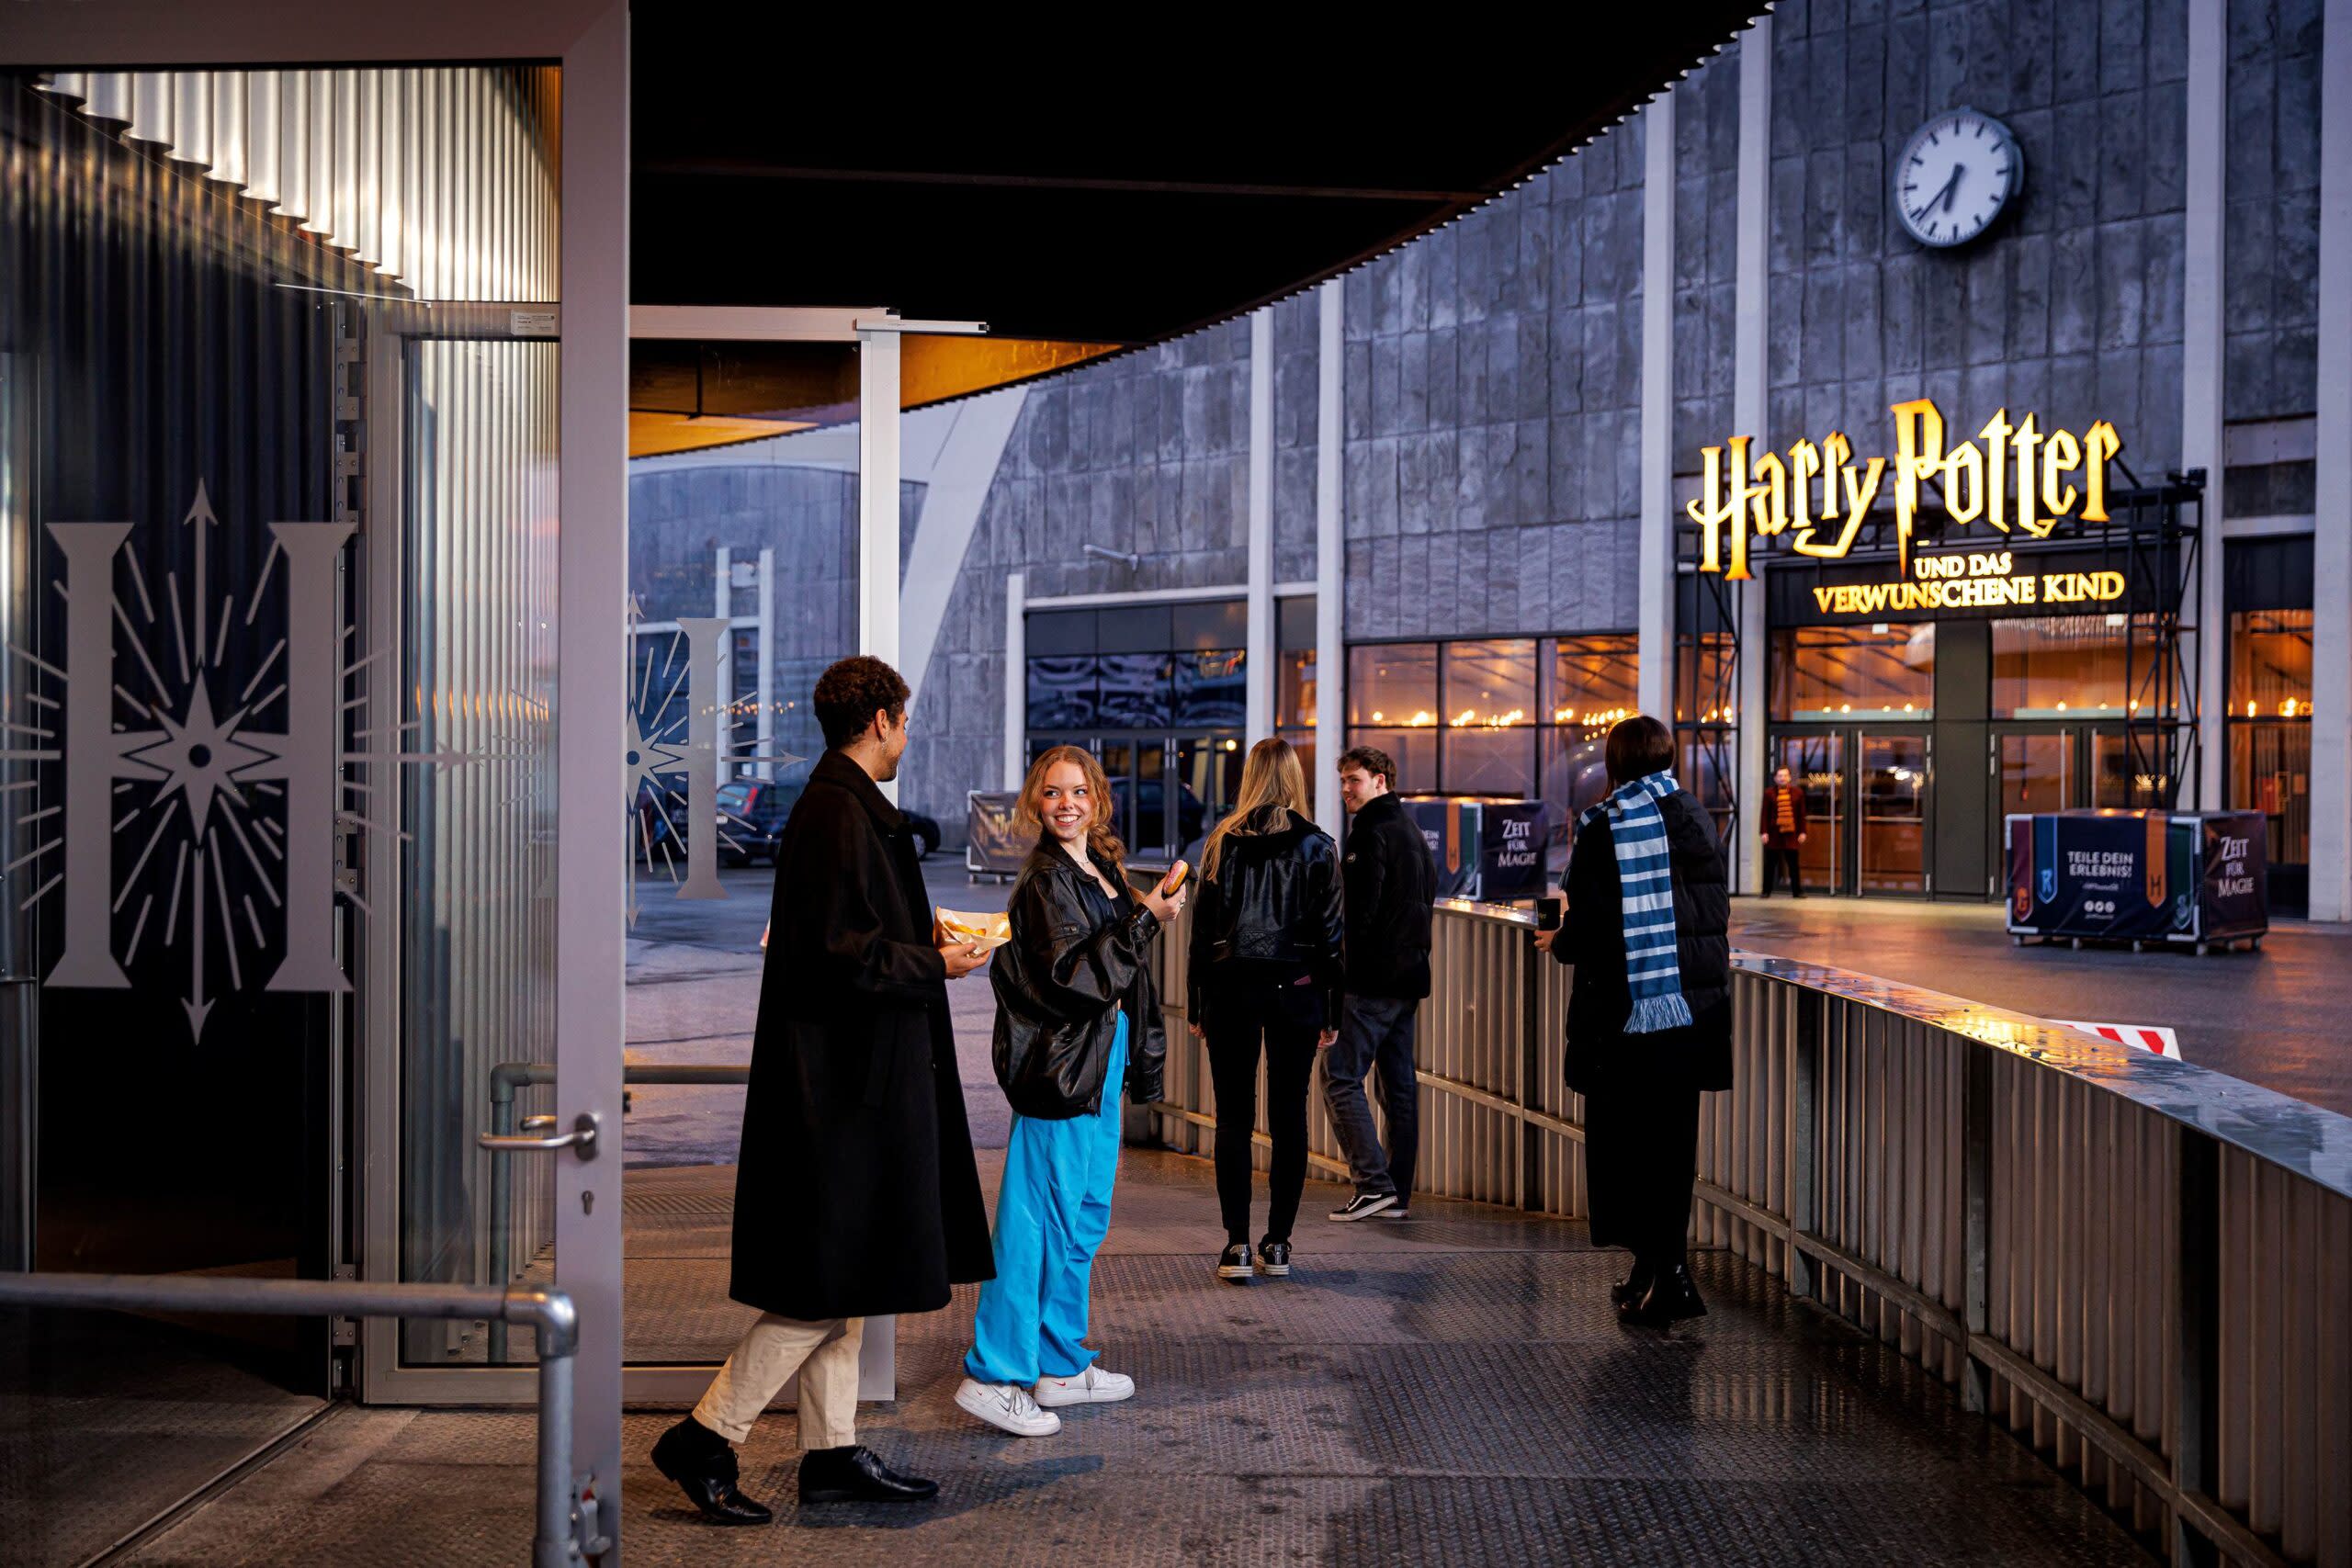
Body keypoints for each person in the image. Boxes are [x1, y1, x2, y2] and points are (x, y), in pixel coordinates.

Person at [651, 656, 994, 1523]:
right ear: (878, 719)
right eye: (905, 720)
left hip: (849, 1085)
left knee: (846, 1277)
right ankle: (704, 1435)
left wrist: (921, 934)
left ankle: (830, 1454)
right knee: (825, 1286)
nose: (907, 734)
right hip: (845, 1094)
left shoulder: (838, 809)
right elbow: (835, 953)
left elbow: (841, 935)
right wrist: (937, 960)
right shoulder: (838, 814)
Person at [954, 746, 1188, 1437]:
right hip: (1063, 1068)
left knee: (1082, 1217)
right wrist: (1148, 919)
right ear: (1036, 801)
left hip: (1098, 1062)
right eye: (1052, 793)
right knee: (1035, 1224)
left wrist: (1140, 911)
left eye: (1078, 791)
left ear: (1098, 799)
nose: (1066, 803)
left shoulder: (1097, 867)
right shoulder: (1046, 880)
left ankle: (1057, 1362)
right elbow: (1075, 977)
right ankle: (994, 1374)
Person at [1533, 715, 1732, 1327]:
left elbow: (1594, 926)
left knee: (1627, 1152)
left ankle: (1666, 1276)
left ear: (1615, 764)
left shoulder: (1608, 827)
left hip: (1628, 1019)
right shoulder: (1693, 814)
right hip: (1692, 1011)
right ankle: (1656, 1272)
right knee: (1671, 1149)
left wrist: (1557, 941)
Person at [1186, 738, 1344, 1283]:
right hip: (1296, 992)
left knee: (1232, 1119)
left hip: (1230, 991)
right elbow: (1331, 939)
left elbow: (1201, 934)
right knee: (1289, 1117)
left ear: (1249, 776)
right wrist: (1332, 1010)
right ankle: (1278, 1244)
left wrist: (1197, 1001)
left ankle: (1235, 1247)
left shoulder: (1220, 844)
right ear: (1295, 779)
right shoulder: (1318, 846)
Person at [1321, 746, 1436, 1223]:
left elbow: (1358, 916)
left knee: (1339, 1076)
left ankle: (1372, 1184)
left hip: (1370, 981)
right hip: (1408, 979)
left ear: (1380, 780)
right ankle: (1396, 1193)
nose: (1346, 789)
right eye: (1343, 780)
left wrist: (1336, 973)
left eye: (1354, 780)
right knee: (1398, 1089)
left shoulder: (1368, 834)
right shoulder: (1411, 831)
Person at [1760, 763, 1808, 897]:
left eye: (1785, 775)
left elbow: (1801, 815)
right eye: (1780, 776)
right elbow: (1764, 814)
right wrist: (1764, 832)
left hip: (1791, 834)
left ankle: (1797, 891)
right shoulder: (1769, 793)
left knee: (1793, 865)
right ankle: (1766, 891)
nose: (1782, 778)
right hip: (1774, 834)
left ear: (1789, 778)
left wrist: (1803, 832)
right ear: (1775, 778)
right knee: (1770, 864)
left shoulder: (1798, 793)